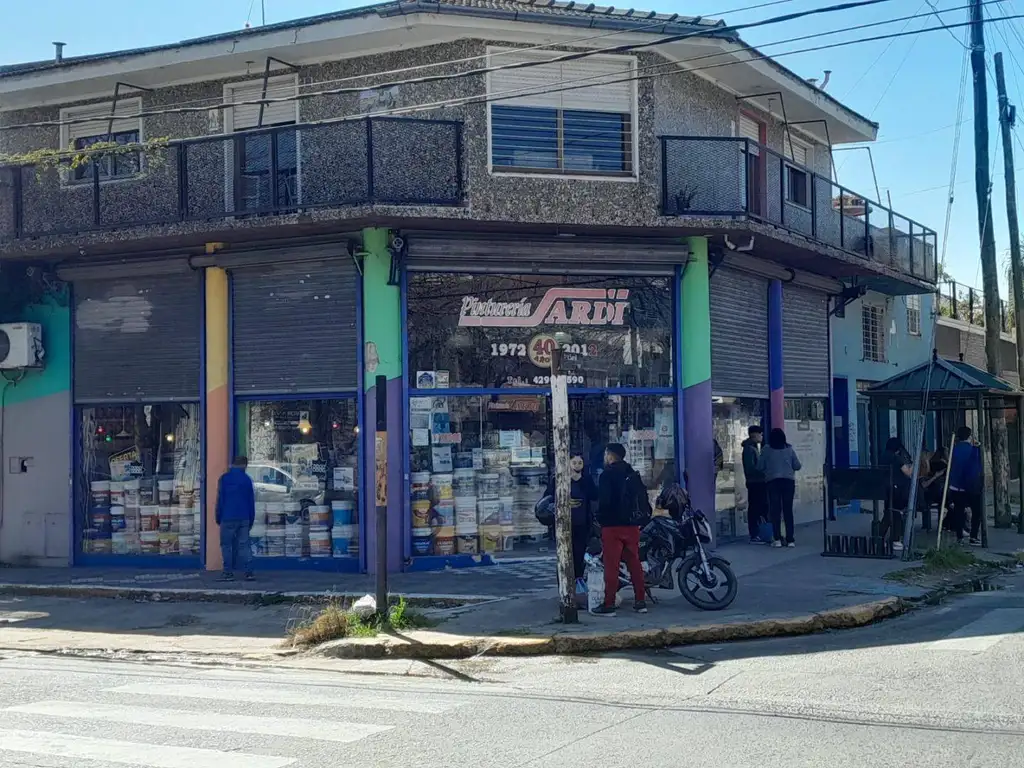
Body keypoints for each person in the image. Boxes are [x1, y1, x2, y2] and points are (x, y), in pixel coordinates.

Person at [592, 443, 650, 616]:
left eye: (606, 454)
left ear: (610, 455)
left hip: (612, 526)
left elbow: (604, 502)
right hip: (632, 526)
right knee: (635, 563)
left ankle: (609, 603)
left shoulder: (606, 475)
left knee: (612, 566)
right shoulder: (632, 474)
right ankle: (640, 601)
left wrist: (600, 518)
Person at [544, 455, 599, 584]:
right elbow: (548, 498)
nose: (577, 465)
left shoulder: (586, 479)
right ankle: (565, 583)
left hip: (582, 523)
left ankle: (578, 580)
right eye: (574, 463)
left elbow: (594, 495)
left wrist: (581, 481)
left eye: (580, 463)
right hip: (563, 523)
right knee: (564, 555)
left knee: (579, 554)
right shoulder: (558, 479)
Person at [757, 428, 801, 548]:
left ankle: (777, 539)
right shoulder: (789, 449)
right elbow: (797, 466)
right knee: (788, 510)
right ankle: (790, 539)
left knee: (775, 510)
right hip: (788, 482)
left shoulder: (766, 450)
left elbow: (760, 466)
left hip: (772, 482)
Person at [215, 455, 256, 581]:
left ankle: (228, 572)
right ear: (244, 465)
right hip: (244, 517)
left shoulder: (224, 479)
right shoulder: (247, 480)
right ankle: (249, 572)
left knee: (226, 545)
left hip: (227, 517)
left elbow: (220, 500)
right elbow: (251, 502)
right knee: (244, 544)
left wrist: (218, 516)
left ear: (232, 464)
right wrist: (251, 519)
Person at [948, 426, 983, 546]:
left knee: (959, 512)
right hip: (971, 486)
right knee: (976, 512)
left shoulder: (954, 449)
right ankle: (973, 536)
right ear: (970, 436)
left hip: (956, 486)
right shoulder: (974, 450)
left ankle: (960, 537)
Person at [881, 437, 914, 551]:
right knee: (896, 513)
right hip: (897, 489)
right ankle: (894, 539)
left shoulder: (883, 456)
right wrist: (913, 464)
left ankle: (880, 538)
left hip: (886, 488)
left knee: (888, 512)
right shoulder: (896, 458)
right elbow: (908, 473)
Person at [742, 425, 768, 543]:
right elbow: (750, 468)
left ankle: (760, 532)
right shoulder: (749, 449)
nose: (762, 436)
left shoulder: (753, 447)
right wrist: (763, 471)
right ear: (755, 435)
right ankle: (755, 534)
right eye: (760, 434)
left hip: (757, 482)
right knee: (755, 508)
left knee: (759, 507)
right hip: (755, 482)